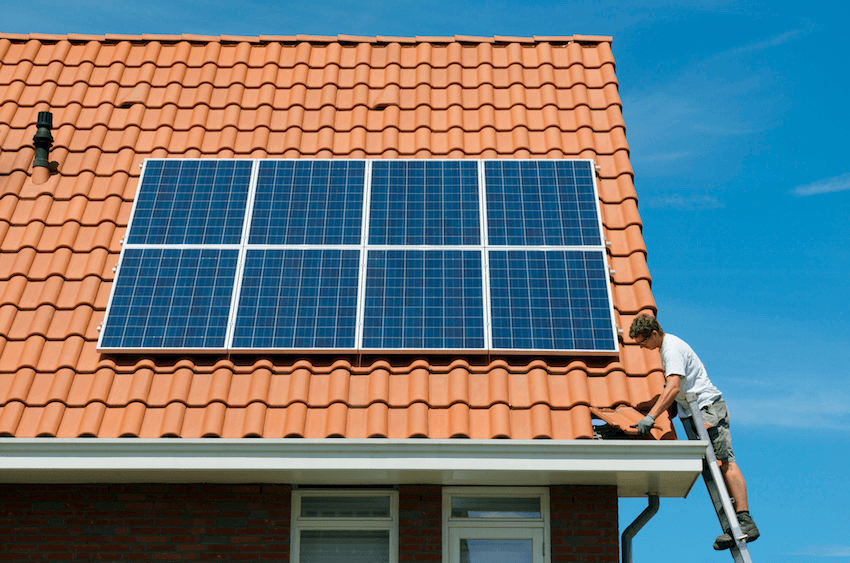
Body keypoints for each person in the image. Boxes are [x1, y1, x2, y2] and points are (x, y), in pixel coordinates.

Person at [628, 314, 759, 550]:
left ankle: (745, 520)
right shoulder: (668, 348)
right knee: (713, 467)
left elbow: (674, 387)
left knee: (726, 462)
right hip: (696, 414)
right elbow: (681, 388)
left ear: (654, 334)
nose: (642, 347)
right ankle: (731, 525)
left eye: (643, 342)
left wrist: (651, 417)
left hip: (708, 411)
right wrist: (642, 407)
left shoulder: (671, 349)